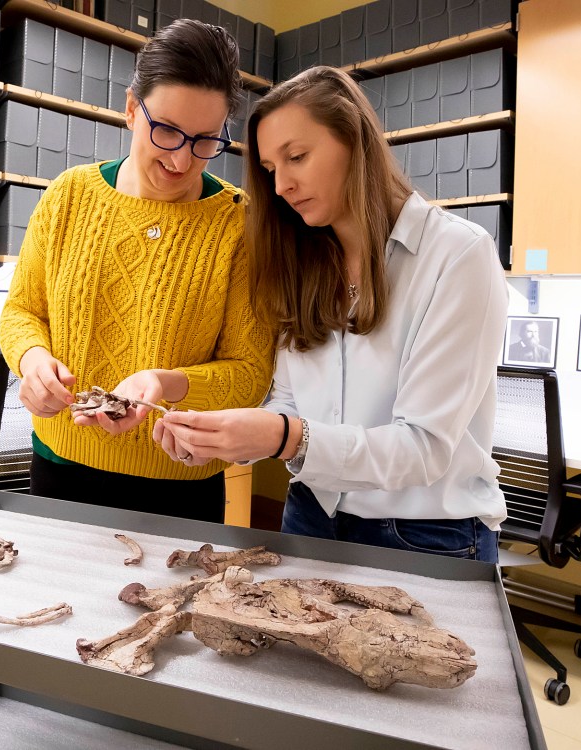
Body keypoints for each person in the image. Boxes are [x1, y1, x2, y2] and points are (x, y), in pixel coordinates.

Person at [157, 66, 508, 562]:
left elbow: (424, 447)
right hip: (309, 515)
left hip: (426, 535)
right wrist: (226, 438)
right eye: (271, 169)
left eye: (297, 157)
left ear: (354, 140)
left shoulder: (458, 255)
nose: (281, 185)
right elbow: (287, 403)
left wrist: (283, 438)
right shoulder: (302, 262)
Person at [0, 19, 274, 524]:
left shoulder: (240, 222)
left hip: (180, 492)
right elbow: (21, 311)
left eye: (205, 140)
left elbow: (250, 373)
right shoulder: (70, 196)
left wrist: (165, 383)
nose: (180, 159)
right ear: (131, 109)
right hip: (60, 471)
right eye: (166, 130)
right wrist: (33, 360)